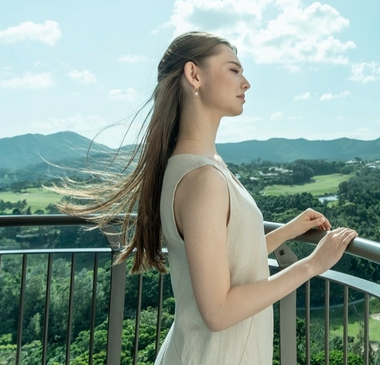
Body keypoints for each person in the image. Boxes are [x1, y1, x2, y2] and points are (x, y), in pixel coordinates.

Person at [60, 31, 358, 364]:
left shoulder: (199, 165)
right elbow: (218, 310)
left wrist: (288, 231)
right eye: (234, 70)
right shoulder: (203, 178)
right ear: (194, 74)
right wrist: (313, 264)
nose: (246, 82)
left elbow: (227, 259)